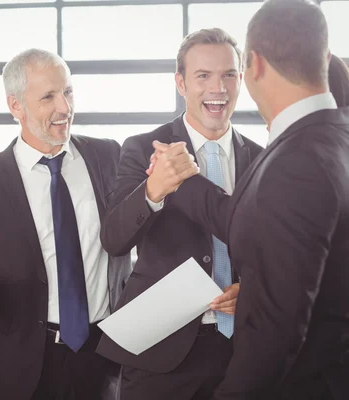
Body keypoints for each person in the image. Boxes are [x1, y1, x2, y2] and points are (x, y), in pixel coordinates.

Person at [149, 0, 349, 398]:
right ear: (322, 59)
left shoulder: (294, 160)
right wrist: (181, 183)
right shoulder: (335, 138)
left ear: (252, 68)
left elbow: (275, 328)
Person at [0, 48, 131, 400]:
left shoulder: (108, 155)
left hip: (102, 356)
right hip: (23, 362)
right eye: (48, 96)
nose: (64, 108)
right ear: (16, 106)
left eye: (67, 92)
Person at [94, 28, 262, 400]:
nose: (217, 87)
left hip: (239, 353)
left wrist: (251, 289)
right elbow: (114, 239)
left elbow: (271, 247)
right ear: (181, 83)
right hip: (160, 354)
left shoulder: (262, 157)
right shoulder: (142, 148)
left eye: (228, 75)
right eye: (203, 76)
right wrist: (154, 191)